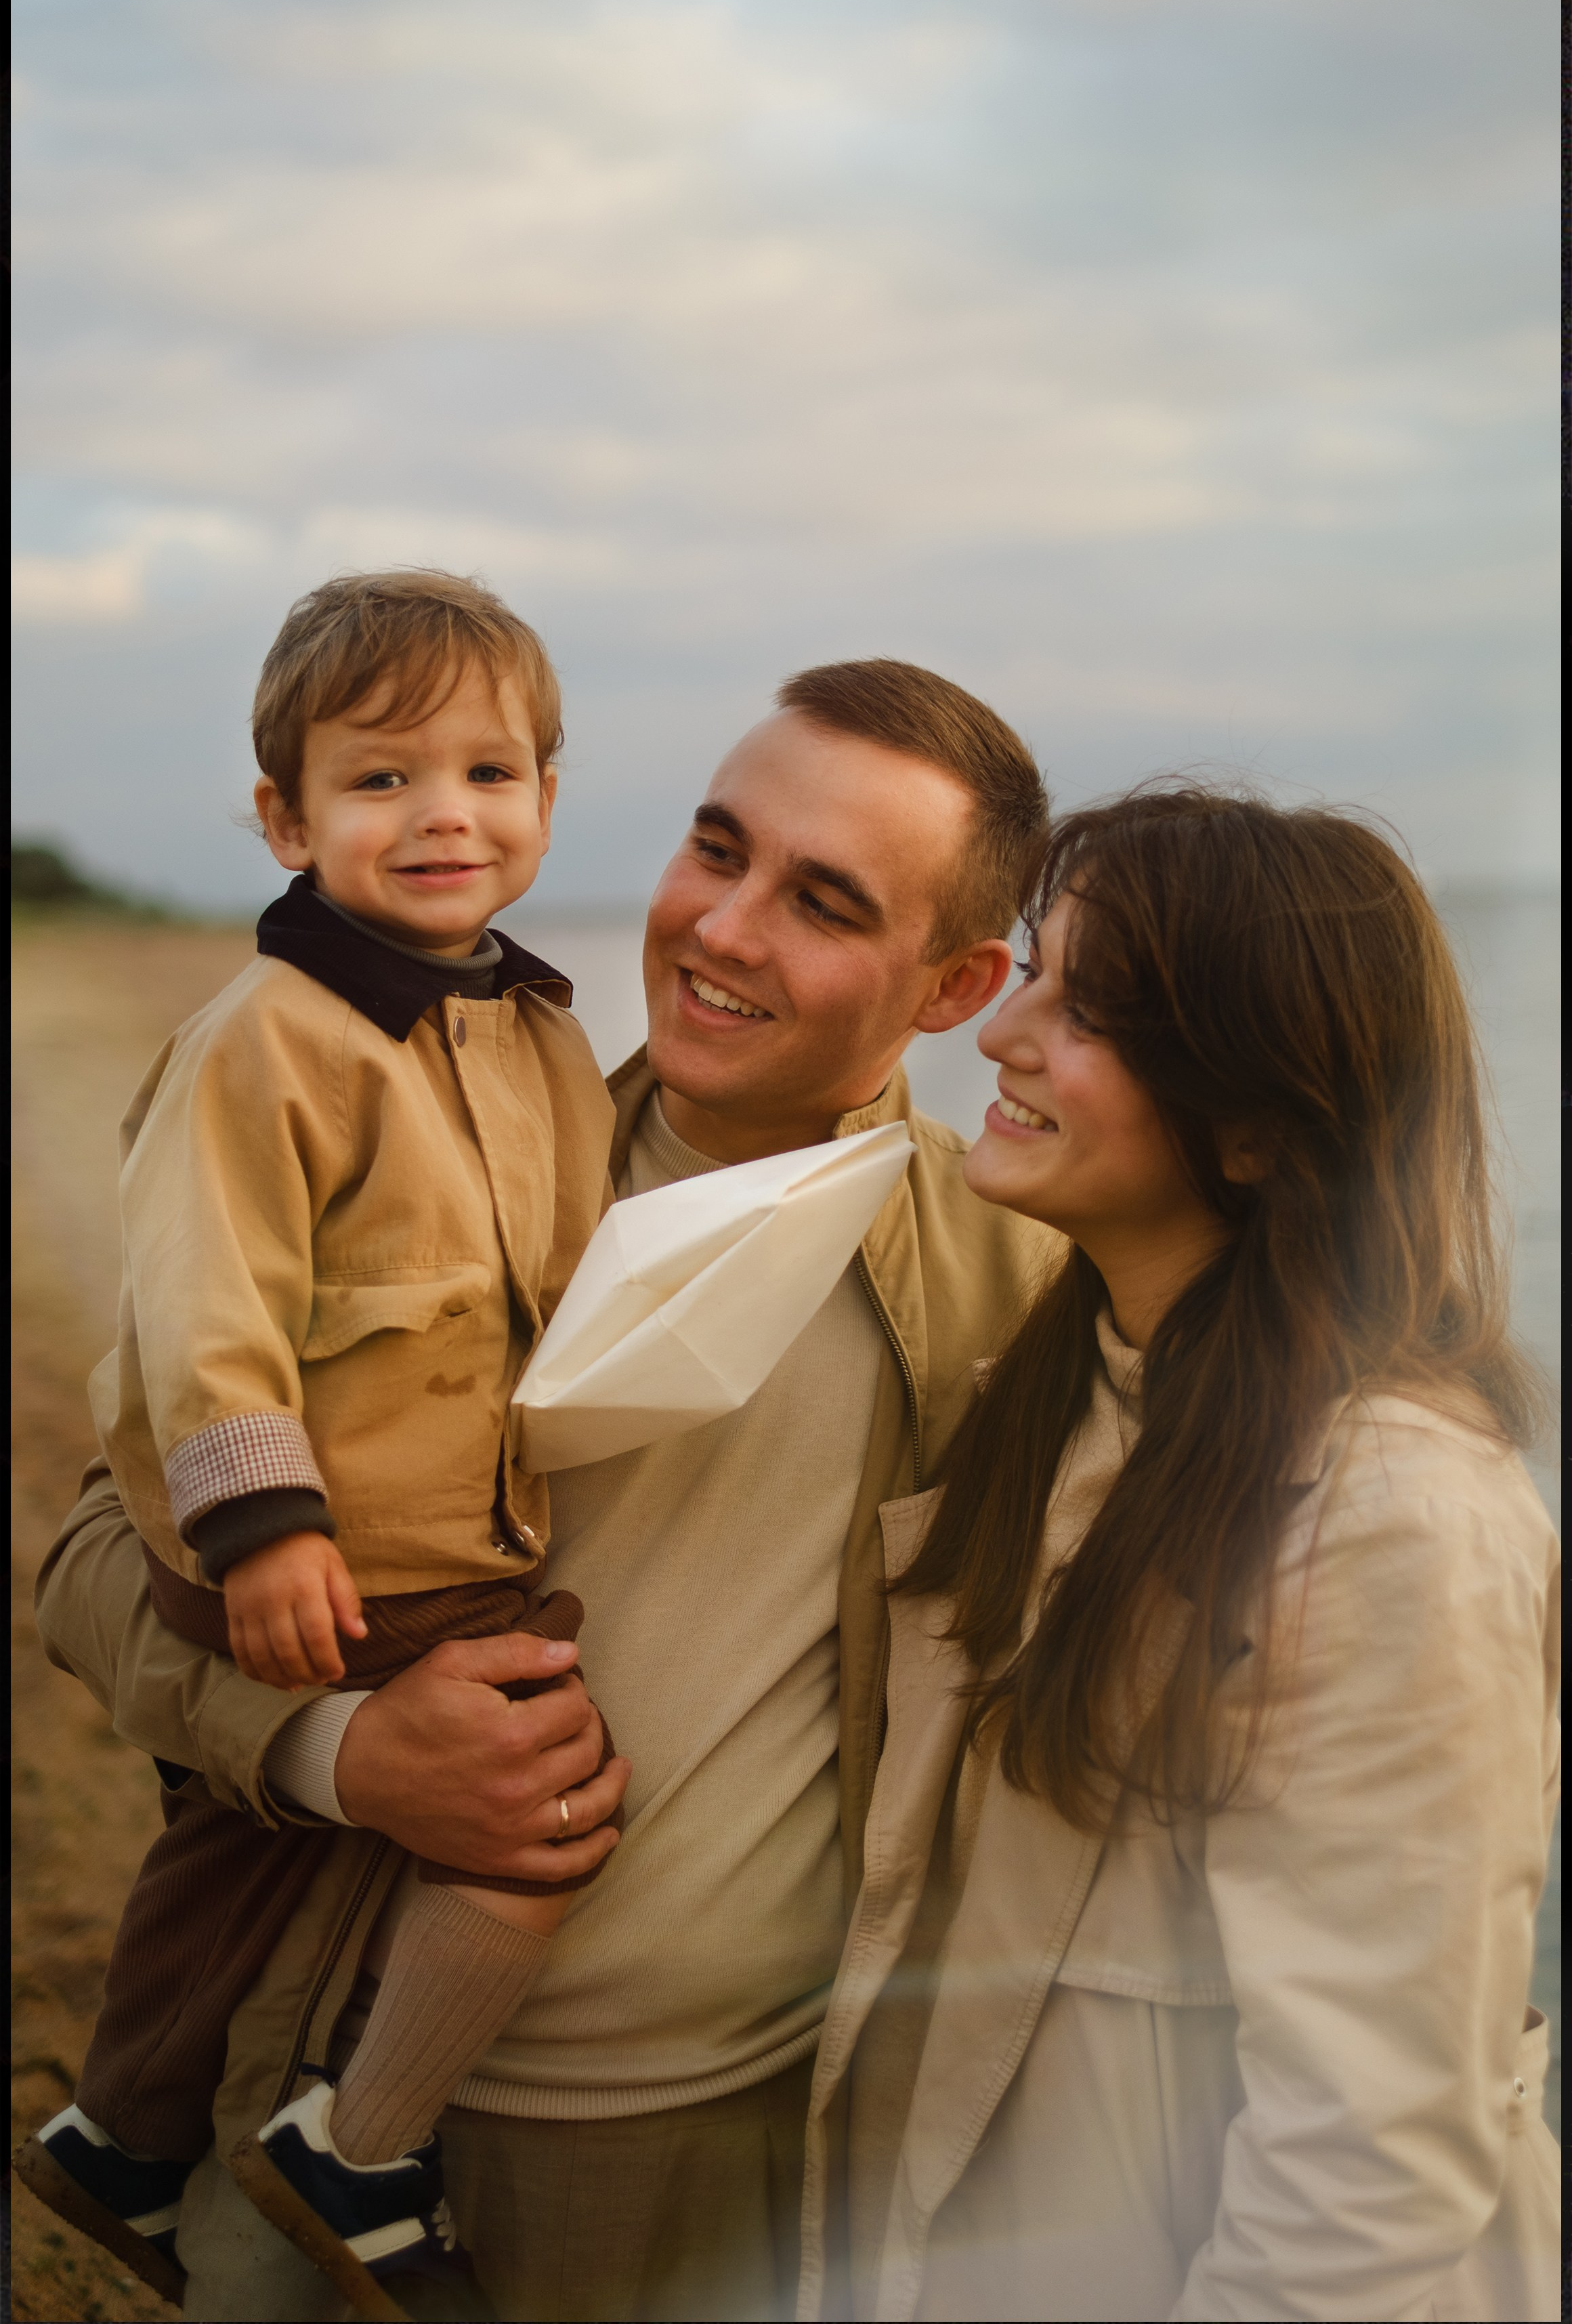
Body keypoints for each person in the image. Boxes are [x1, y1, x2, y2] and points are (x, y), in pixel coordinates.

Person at [32, 658, 1052, 2321]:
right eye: (716, 850)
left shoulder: (1025, 1280)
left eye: (823, 901)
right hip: (312, 2067)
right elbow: (92, 1553)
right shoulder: (430, 1148)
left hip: (723, 2135)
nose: (722, 929)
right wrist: (339, 1748)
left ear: (953, 987)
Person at [798, 784, 1560, 2323]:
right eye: (1031, 967)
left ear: (1264, 1120)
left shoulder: (1391, 1511)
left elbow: (1371, 2170)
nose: (1003, 1032)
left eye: (1093, 1009)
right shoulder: (1066, 1392)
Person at [15, 568, 632, 2320]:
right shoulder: (268, 1046)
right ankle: (355, 2140)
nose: (445, 811)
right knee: (539, 1810)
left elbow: (579, 1259)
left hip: (440, 1534)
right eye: (381, 779)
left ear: (546, 802)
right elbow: (208, 1306)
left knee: (230, 1849)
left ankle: (119, 2139)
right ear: (285, 817)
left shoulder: (540, 1028)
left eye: (490, 773)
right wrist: (260, 1522)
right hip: (312, 1550)